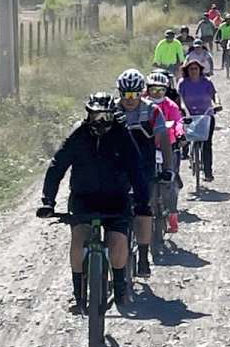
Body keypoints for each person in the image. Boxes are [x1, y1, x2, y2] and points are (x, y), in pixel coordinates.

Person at [38, 93, 151, 313]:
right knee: (78, 240)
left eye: (106, 116)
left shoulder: (122, 135)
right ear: (88, 114)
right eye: (95, 115)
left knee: (118, 242)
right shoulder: (78, 134)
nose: (100, 121)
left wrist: (142, 202)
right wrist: (48, 201)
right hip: (83, 199)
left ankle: (120, 289)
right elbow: (57, 166)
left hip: (116, 199)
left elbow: (137, 171)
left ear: (113, 116)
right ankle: (78, 294)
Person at [115, 69, 174, 277]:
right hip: (118, 167)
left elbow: (164, 140)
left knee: (143, 210)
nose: (130, 99)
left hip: (144, 167)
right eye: (125, 94)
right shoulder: (112, 110)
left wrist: (168, 168)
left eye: (134, 94)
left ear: (142, 92)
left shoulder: (152, 111)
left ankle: (142, 256)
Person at [146, 69, 185, 234]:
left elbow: (178, 122)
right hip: (147, 147)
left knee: (171, 181)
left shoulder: (171, 105)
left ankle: (173, 216)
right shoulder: (143, 104)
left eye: (160, 90)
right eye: (153, 89)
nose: (157, 93)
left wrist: (180, 133)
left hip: (168, 146)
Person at [179, 59, 220, 181]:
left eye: (196, 68)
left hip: (206, 116)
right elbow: (180, 98)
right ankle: (186, 153)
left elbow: (214, 94)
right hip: (189, 115)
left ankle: (208, 172)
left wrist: (217, 103)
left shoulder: (206, 82)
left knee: (207, 144)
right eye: (191, 69)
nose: (193, 71)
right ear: (187, 70)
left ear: (200, 70)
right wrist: (182, 108)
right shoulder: (183, 83)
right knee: (184, 137)